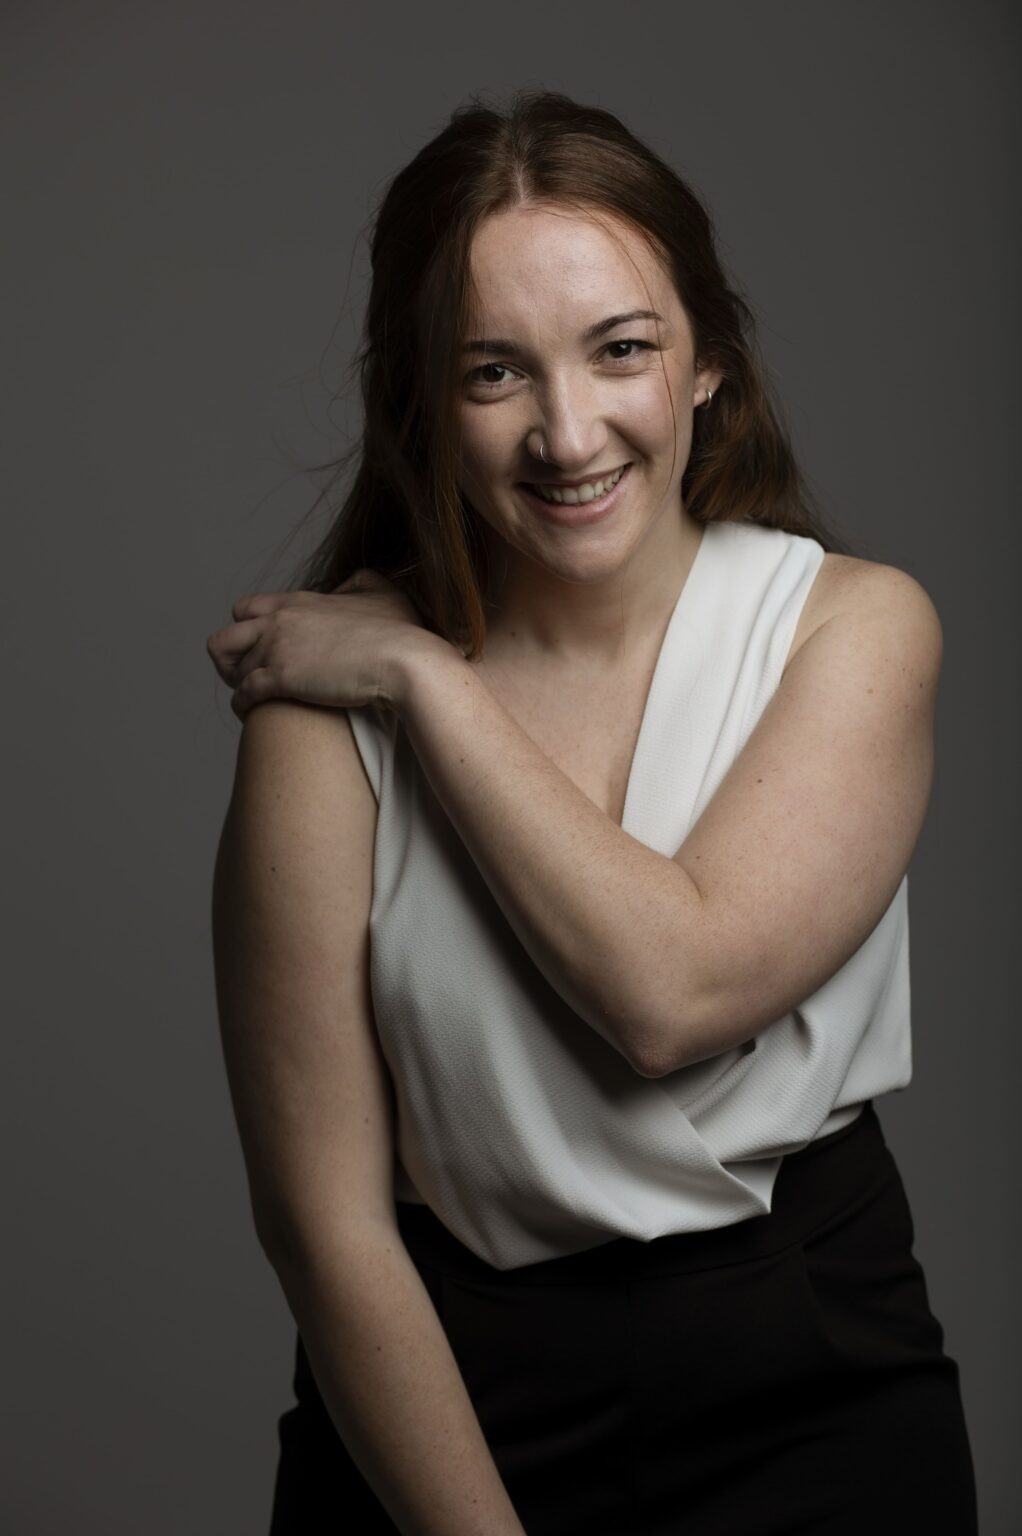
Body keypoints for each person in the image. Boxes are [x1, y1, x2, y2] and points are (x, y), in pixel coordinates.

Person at [207, 89, 979, 1535]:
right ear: (419, 399)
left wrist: (425, 685)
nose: (567, 435)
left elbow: (670, 993)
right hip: (436, 1422)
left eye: (620, 349)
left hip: (817, 1398)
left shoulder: (850, 627)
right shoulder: (318, 718)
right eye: (493, 371)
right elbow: (324, 1228)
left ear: (707, 360)